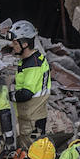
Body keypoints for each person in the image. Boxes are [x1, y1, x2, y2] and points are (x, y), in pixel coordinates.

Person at [8, 20, 51, 148]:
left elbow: (26, 94)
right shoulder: (28, 61)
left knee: (33, 152)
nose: (12, 45)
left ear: (25, 44)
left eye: (15, 43)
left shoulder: (33, 65)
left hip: (32, 120)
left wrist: (6, 95)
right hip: (30, 117)